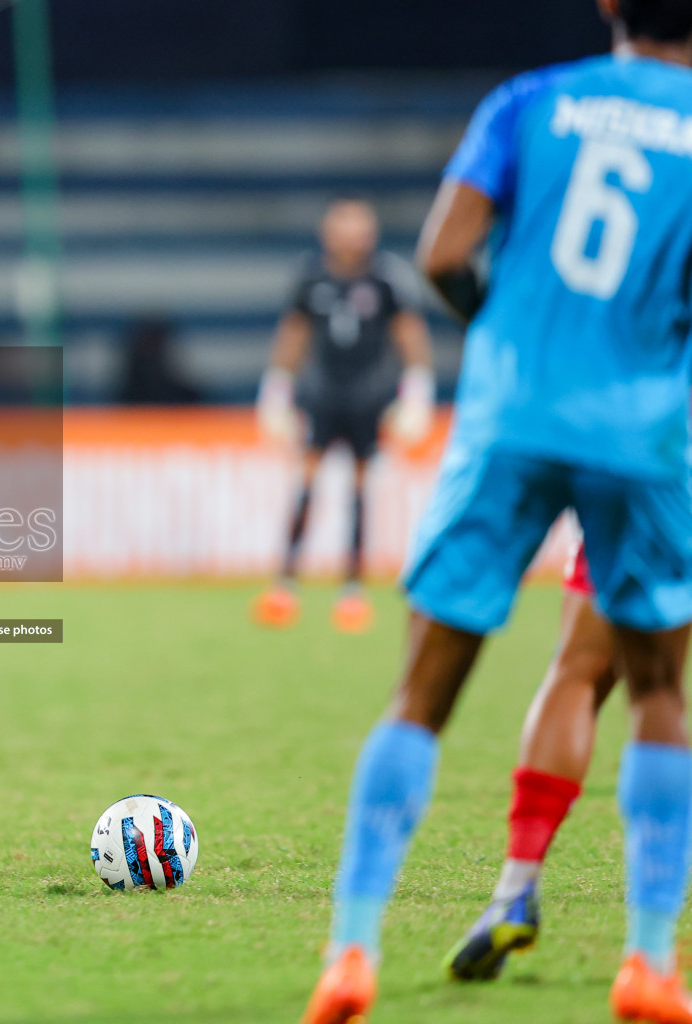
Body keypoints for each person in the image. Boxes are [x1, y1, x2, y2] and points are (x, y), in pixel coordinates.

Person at [302, 2, 692, 1021]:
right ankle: (649, 963)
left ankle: (352, 949)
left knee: (421, 694)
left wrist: (518, 336)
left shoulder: (530, 102)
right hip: (643, 434)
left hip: (513, 416)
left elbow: (439, 255)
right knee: (656, 693)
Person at [253, 199, 434, 634]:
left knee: (359, 488)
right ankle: (286, 581)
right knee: (308, 484)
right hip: (322, 393)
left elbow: (409, 333)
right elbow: (293, 334)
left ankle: (352, 588)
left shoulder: (386, 279)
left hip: (367, 395)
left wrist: (417, 389)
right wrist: (277, 386)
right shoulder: (311, 278)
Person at [442, 537, 619, 980]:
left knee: (578, 673)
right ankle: (652, 950)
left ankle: (515, 890)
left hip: (634, 484)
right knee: (662, 698)